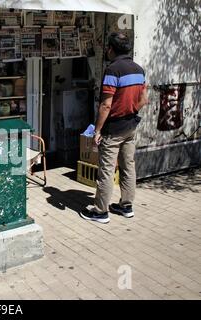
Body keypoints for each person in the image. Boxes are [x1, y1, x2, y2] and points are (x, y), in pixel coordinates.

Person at [80, 32, 148, 224]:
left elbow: (106, 105)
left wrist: (98, 130)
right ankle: (126, 206)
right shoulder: (138, 69)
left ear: (110, 49)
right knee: (128, 166)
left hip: (113, 129)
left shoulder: (112, 70)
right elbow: (144, 99)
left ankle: (101, 211)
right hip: (131, 126)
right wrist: (131, 109)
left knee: (106, 171)